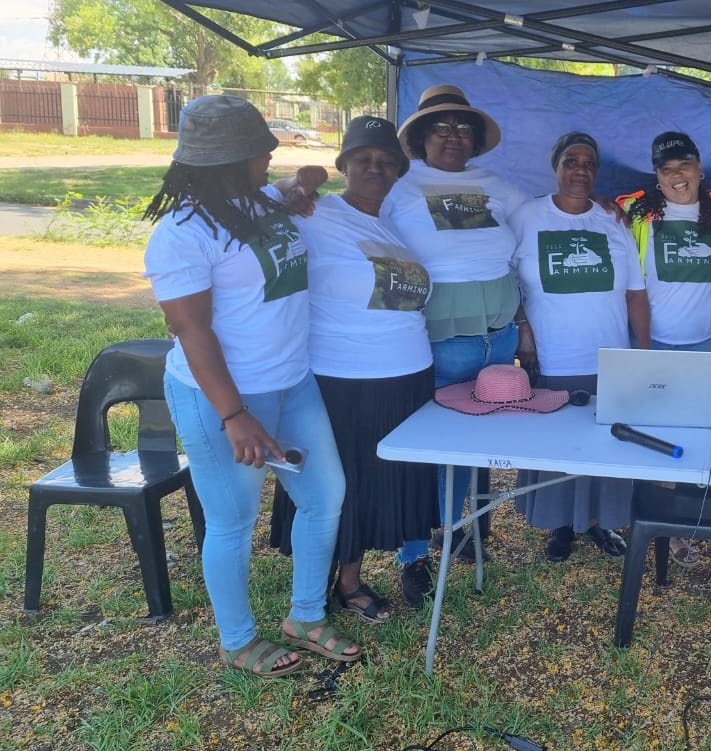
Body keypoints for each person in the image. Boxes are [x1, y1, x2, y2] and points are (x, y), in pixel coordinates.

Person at [142, 94, 358, 677]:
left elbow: (310, 173)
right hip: (225, 398)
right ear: (230, 159)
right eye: (261, 149)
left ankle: (305, 615)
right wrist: (235, 415)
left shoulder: (260, 199)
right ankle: (236, 640)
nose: (272, 153)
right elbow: (191, 329)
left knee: (324, 496)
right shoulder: (181, 234)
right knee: (234, 520)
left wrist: (300, 187)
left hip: (292, 381)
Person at [269, 116, 439, 620]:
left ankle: (350, 577)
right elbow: (246, 207)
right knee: (335, 481)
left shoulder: (393, 226)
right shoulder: (312, 214)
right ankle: (325, 582)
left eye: (387, 162)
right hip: (340, 377)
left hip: (405, 375)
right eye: (363, 158)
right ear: (343, 164)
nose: (376, 168)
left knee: (371, 482)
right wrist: (292, 184)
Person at [382, 84, 526, 589]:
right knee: (428, 447)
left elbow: (539, 229)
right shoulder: (399, 188)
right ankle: (414, 553)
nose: (453, 136)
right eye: (441, 127)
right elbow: (376, 258)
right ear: (421, 137)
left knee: (471, 443)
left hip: (499, 340)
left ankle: (460, 530)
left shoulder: (499, 186)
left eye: (463, 127)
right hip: (437, 341)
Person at [509, 131, 650, 561]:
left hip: (608, 353)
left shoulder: (613, 219)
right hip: (552, 353)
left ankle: (602, 523)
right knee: (557, 444)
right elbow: (504, 277)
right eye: (571, 161)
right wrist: (524, 330)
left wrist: (642, 351)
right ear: (555, 167)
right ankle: (559, 527)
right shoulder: (526, 216)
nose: (580, 169)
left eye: (589, 163)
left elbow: (635, 293)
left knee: (607, 441)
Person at [617, 131, 711, 567]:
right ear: (656, 175)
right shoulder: (636, 213)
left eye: (684, 165)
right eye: (666, 169)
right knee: (652, 436)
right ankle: (657, 524)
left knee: (698, 434)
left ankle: (691, 519)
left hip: (706, 344)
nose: (677, 176)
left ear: (700, 166)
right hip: (653, 343)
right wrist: (643, 348)